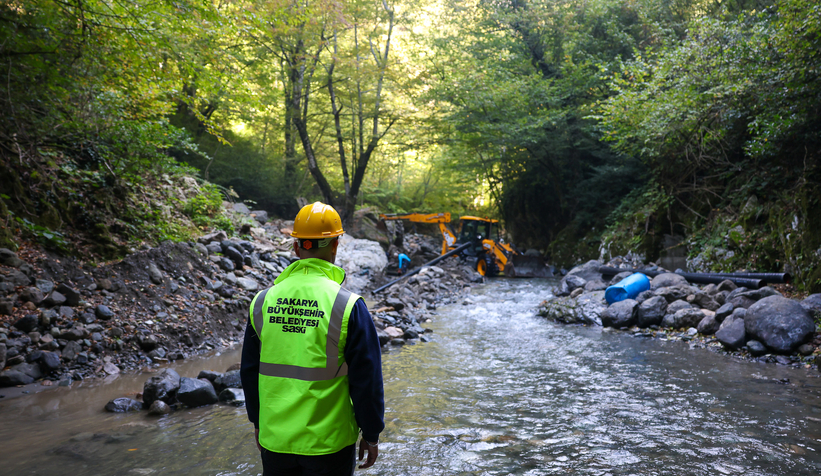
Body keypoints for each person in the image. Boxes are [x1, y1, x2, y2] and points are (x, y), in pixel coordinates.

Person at [240, 202, 385, 476]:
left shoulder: (262, 302)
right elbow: (367, 379)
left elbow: (249, 372)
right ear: (335, 246)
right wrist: (371, 432)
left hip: (275, 441)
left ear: (296, 248)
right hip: (329, 445)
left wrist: (257, 423)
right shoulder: (348, 305)